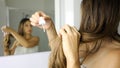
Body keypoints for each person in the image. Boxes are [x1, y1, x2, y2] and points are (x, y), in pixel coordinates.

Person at [30, 0, 120, 68]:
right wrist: (49, 28)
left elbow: (68, 56)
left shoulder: (117, 56)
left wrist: (72, 60)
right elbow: (59, 53)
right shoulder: (89, 43)